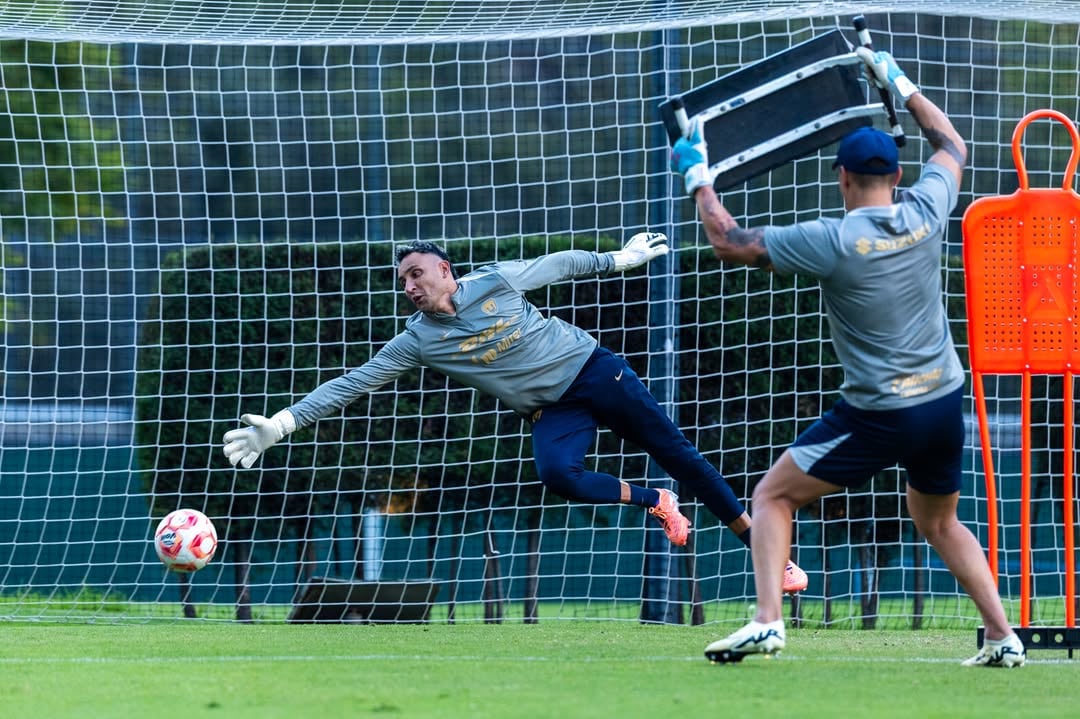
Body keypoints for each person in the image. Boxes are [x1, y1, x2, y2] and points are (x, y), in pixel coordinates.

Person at [670, 48, 1024, 666]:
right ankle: (1003, 636)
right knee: (939, 521)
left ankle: (767, 621)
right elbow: (951, 144)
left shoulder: (834, 241)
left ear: (841, 177)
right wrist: (901, 82)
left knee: (772, 497)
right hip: (943, 399)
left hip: (882, 412)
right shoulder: (928, 206)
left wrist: (698, 175)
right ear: (895, 173)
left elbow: (727, 240)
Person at [222, 234, 807, 593]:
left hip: (597, 372)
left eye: (416, 273)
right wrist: (282, 423)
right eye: (402, 280)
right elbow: (355, 383)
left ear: (446, 272)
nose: (409, 285)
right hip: (554, 409)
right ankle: (655, 500)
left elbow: (557, 264)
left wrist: (618, 259)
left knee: (680, 454)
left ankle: (767, 556)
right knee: (557, 474)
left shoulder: (495, 282)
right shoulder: (417, 340)